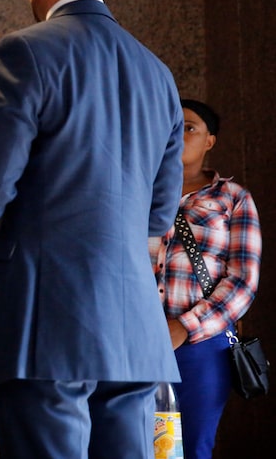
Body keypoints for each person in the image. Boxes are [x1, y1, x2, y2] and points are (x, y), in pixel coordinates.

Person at [0, 0, 184, 457]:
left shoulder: (26, 51)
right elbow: (161, 214)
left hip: (47, 322)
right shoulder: (158, 73)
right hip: (135, 330)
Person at [151, 99, 261, 459]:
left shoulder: (233, 199)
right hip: (133, 341)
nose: (177, 133)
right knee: (131, 445)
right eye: (170, 125)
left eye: (189, 127)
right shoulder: (137, 194)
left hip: (202, 345)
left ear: (210, 141)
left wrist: (184, 326)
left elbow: (243, 281)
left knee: (192, 448)